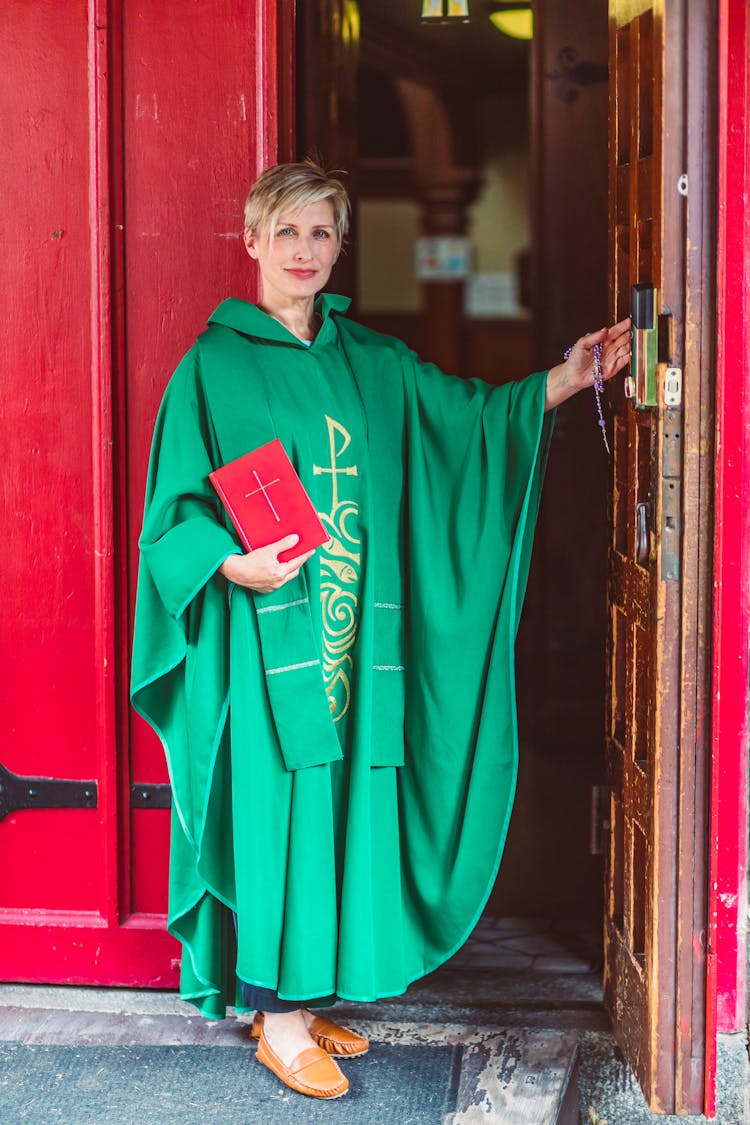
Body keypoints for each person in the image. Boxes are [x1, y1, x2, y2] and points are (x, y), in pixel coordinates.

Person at [131, 160, 631, 1101]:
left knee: (336, 814)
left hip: (355, 636)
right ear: (251, 242)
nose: (305, 251)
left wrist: (570, 376)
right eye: (287, 233)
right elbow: (174, 516)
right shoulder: (213, 366)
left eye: (322, 233)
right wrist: (231, 564)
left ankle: (296, 997)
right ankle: (276, 1022)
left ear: (339, 244)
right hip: (267, 636)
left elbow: (469, 424)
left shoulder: (374, 363)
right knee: (280, 814)